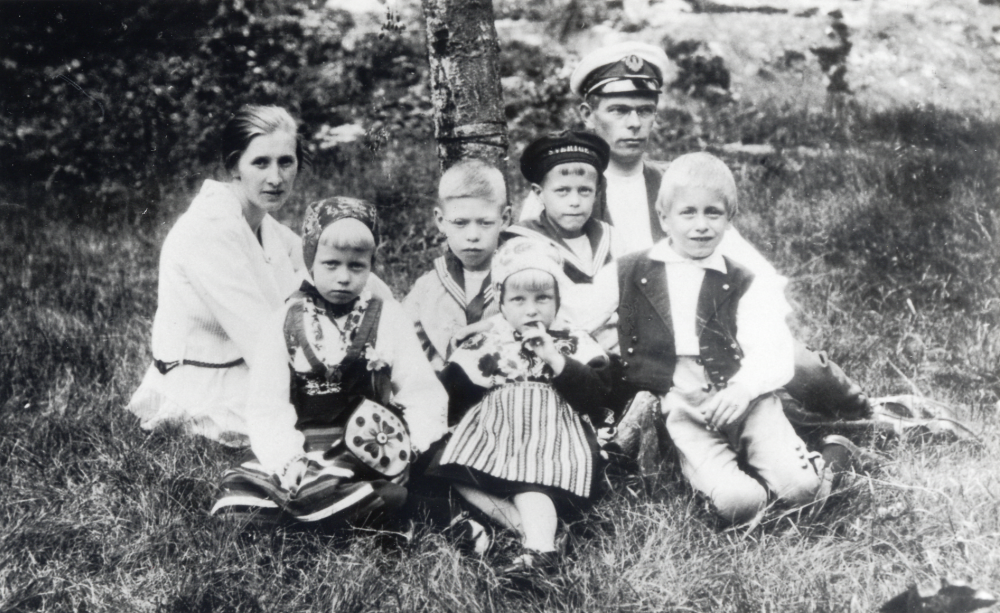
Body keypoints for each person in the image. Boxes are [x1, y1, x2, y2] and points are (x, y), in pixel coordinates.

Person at [525, 41, 869, 420]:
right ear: (588, 114)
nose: (634, 123)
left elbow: (749, 267)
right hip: (620, 341)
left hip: (702, 318)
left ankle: (864, 414)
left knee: (797, 362)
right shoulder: (566, 193)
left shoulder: (676, 183)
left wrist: (759, 317)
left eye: (645, 110)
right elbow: (544, 291)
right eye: (619, 110)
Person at [611, 153, 825, 523]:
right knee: (739, 503)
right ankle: (702, 468)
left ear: (730, 220)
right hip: (685, 404)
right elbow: (575, 307)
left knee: (802, 491)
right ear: (663, 218)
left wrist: (744, 388)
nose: (700, 226)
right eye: (687, 213)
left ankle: (829, 456)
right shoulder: (634, 269)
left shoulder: (741, 276)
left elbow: (772, 344)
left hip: (748, 397)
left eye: (713, 213)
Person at [210, 197, 448, 526]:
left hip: (366, 452)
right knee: (235, 503)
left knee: (344, 489)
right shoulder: (283, 321)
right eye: (331, 264)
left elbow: (422, 392)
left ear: (371, 264)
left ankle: (358, 504)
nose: (343, 278)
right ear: (310, 260)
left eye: (356, 266)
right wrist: (288, 459)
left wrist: (407, 449)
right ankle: (367, 509)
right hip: (305, 451)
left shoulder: (387, 316)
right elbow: (268, 405)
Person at [126, 105, 309, 445]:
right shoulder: (211, 228)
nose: (276, 177)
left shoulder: (261, 222)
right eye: (260, 162)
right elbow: (262, 346)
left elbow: (318, 264)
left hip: (248, 367)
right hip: (205, 387)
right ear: (233, 166)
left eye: (286, 161)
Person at [433, 238, 612, 574]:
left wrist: (554, 358)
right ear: (501, 304)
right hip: (499, 432)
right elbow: (450, 388)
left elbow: (596, 395)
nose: (531, 310)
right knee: (449, 463)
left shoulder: (574, 340)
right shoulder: (489, 341)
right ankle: (534, 529)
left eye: (542, 298)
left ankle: (540, 550)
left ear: (558, 300)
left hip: (553, 439)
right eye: (518, 300)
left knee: (528, 474)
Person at [505, 130, 622, 347]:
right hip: (552, 350)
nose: (575, 201)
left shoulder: (611, 237)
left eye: (585, 191)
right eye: (562, 191)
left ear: (597, 193)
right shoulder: (523, 244)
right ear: (539, 193)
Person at [403, 159, 509, 377]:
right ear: (441, 221)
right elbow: (402, 344)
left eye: (485, 223)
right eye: (460, 223)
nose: (472, 236)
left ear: (504, 219)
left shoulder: (518, 279)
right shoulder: (428, 287)